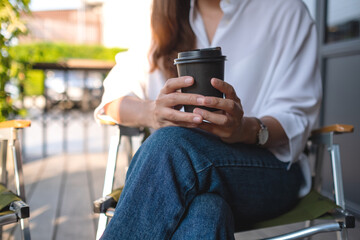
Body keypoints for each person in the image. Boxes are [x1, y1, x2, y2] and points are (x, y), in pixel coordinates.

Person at [95, 0, 322, 239]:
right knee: (205, 212)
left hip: (267, 170)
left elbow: (296, 115)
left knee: (170, 145)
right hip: (173, 176)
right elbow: (113, 99)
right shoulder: (161, 16)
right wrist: (153, 113)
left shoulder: (284, 10)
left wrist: (245, 130)